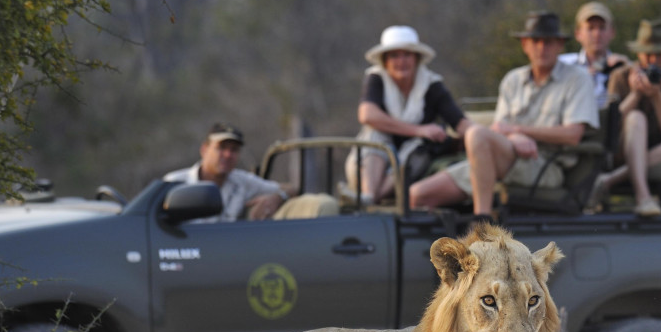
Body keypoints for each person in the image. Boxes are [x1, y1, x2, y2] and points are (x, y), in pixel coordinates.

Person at [409, 11, 598, 216]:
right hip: (504, 157)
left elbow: (573, 135)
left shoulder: (577, 79)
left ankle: (482, 222)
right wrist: (515, 137)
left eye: (549, 42)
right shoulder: (513, 80)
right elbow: (500, 129)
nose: (542, 47)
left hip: (545, 166)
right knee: (417, 195)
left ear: (560, 45)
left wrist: (519, 130)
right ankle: (447, 239)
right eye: (536, 41)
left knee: (476, 134)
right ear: (524, 44)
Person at [349, 25, 471, 206]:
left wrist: (485, 137)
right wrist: (418, 130)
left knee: (419, 147)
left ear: (416, 58)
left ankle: (369, 200)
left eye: (407, 55)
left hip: (412, 167)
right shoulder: (376, 78)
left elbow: (460, 123)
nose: (401, 61)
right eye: (394, 56)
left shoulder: (432, 84)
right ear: (385, 60)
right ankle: (369, 194)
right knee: (375, 134)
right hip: (368, 164)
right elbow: (367, 115)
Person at [586, 19, 661, 217]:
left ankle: (610, 179)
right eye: (648, 54)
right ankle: (643, 197)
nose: (653, 61)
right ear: (638, 54)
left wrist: (657, 95)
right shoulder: (621, 76)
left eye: (659, 55)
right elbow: (610, 126)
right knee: (636, 117)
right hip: (623, 148)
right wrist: (635, 95)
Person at [164, 123, 337, 222]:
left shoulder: (242, 182)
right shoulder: (175, 182)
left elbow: (291, 189)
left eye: (234, 150)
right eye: (221, 148)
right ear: (204, 149)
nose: (228, 155)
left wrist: (277, 198)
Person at [558, 1, 628, 109]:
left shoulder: (621, 65)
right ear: (578, 34)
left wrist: (628, 69)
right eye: (590, 28)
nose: (597, 34)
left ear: (612, 32)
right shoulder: (562, 64)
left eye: (602, 28)